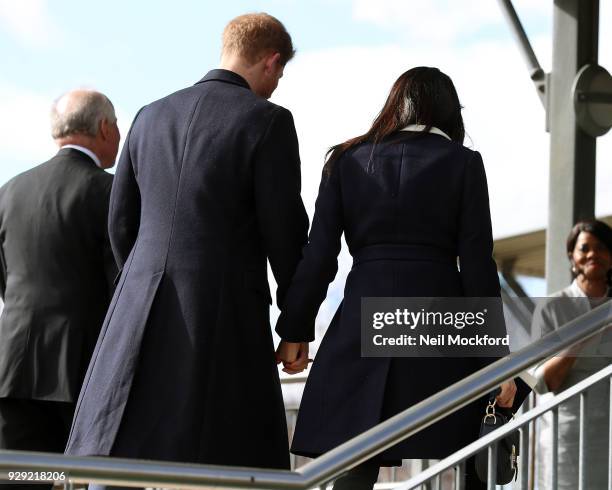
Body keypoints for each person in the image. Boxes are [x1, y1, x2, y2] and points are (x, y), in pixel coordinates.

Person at [65, 13, 309, 472]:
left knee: (118, 457)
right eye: (280, 73)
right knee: (226, 464)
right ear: (272, 62)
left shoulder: (149, 115)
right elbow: (286, 233)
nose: (277, 84)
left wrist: (140, 286)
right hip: (224, 318)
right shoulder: (268, 121)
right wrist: (296, 325)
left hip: (137, 312)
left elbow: (120, 225)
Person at [275, 67, 529, 489]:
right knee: (465, 445)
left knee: (359, 448)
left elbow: (319, 256)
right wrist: (493, 359)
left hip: (362, 316)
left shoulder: (346, 159)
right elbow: (478, 265)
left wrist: (296, 329)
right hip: (438, 318)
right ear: (450, 112)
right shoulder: (463, 164)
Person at [0, 90, 119, 487]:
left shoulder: (10, 190)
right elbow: (121, 284)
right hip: (85, 370)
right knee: (81, 477)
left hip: (13, 369)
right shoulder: (110, 192)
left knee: (21, 479)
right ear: (104, 128)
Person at [533, 219, 612, 490]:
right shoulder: (552, 307)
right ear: (572, 257)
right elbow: (543, 382)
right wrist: (586, 334)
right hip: (566, 437)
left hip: (609, 436)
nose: (593, 254)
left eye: (601, 247)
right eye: (584, 248)